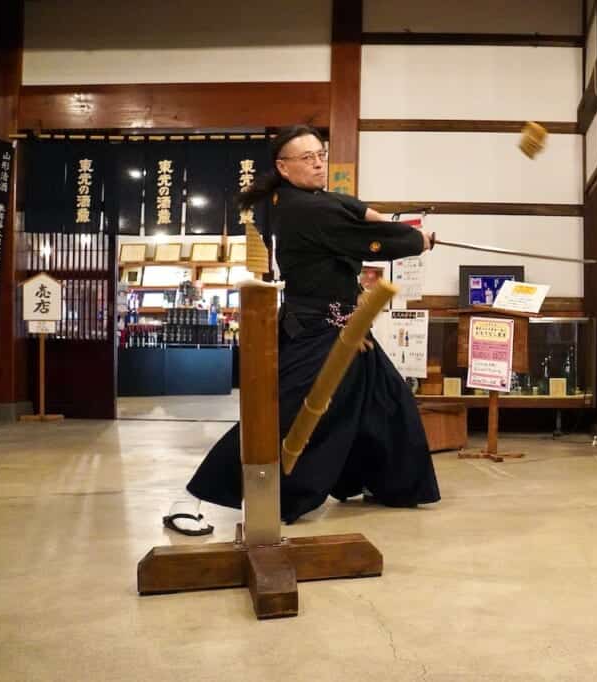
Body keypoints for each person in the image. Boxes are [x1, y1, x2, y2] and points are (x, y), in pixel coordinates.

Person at [164, 125, 439, 535]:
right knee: (277, 418)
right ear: (283, 167)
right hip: (316, 330)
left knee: (386, 399)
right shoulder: (305, 209)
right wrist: (417, 239)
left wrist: (373, 214)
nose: (317, 162)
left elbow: (344, 206)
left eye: (321, 154)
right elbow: (368, 239)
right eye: (306, 157)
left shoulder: (300, 199)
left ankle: (386, 483)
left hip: (343, 326)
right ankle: (190, 497)